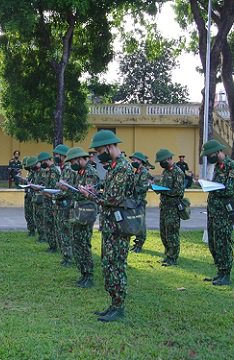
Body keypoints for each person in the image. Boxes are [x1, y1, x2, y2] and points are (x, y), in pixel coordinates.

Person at [80, 130, 135, 322]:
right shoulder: (114, 167)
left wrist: (91, 196)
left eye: (99, 150)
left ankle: (118, 307)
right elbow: (110, 192)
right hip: (111, 224)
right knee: (108, 264)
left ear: (110, 147)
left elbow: (114, 198)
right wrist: (96, 190)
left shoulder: (122, 168)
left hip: (119, 225)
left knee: (116, 265)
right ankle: (113, 304)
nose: (96, 154)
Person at [201, 140, 234, 286]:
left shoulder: (232, 167)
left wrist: (211, 187)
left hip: (224, 212)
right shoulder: (218, 166)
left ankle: (226, 274)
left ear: (217, 152)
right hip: (213, 211)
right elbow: (220, 186)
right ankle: (220, 272)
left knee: (223, 243)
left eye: (209, 154)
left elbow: (229, 189)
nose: (208, 157)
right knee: (213, 242)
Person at [63, 147, 99, 288]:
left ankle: (88, 275)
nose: (72, 164)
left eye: (73, 161)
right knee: (77, 242)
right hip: (79, 210)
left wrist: (70, 190)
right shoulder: (81, 172)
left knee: (83, 243)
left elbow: (89, 194)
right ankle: (83, 273)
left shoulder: (91, 173)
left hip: (87, 211)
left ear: (81, 159)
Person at [154, 148, 185, 266]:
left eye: (162, 161)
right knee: (164, 232)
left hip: (173, 207)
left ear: (169, 159)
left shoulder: (178, 172)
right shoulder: (165, 172)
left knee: (172, 233)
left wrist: (164, 191)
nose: (161, 164)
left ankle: (173, 257)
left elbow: (178, 191)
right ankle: (167, 254)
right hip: (164, 207)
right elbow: (164, 185)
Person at [52, 144, 72, 266]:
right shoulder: (64, 168)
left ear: (63, 156)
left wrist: (55, 194)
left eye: (57, 155)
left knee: (65, 232)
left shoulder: (68, 169)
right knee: (62, 231)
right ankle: (65, 256)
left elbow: (67, 189)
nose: (55, 157)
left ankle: (68, 258)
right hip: (62, 204)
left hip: (67, 205)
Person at [129, 152, 153, 253]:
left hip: (139, 201)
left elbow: (143, 187)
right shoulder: (137, 171)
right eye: (132, 160)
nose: (133, 161)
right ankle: (136, 244)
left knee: (140, 224)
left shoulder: (144, 172)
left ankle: (139, 244)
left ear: (140, 161)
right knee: (135, 223)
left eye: (135, 160)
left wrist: (131, 189)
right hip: (134, 201)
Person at [37, 151, 60, 253]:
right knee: (48, 223)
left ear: (47, 160)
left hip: (51, 201)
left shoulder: (54, 171)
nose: (42, 164)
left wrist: (45, 192)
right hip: (47, 199)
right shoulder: (50, 170)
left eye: (43, 161)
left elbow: (54, 188)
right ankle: (51, 245)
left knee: (51, 223)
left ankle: (54, 246)